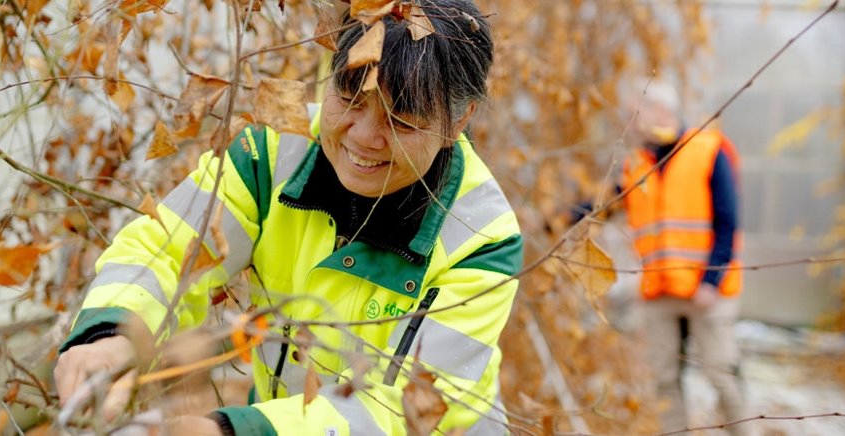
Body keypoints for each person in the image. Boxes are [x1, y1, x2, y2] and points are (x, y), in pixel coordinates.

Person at [54, 1, 521, 434]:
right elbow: (168, 248)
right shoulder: (272, 152)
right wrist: (113, 334)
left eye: (401, 121)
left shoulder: (481, 239)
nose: (363, 136)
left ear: (458, 122)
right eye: (349, 98)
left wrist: (230, 429)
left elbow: (404, 411)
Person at [618, 81, 750, 435]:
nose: (632, 123)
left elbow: (728, 223)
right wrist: (557, 219)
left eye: (637, 114)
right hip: (660, 292)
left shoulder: (708, 150)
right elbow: (602, 204)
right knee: (664, 381)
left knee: (722, 375)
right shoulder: (636, 164)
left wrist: (711, 280)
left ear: (662, 111)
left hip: (708, 292)